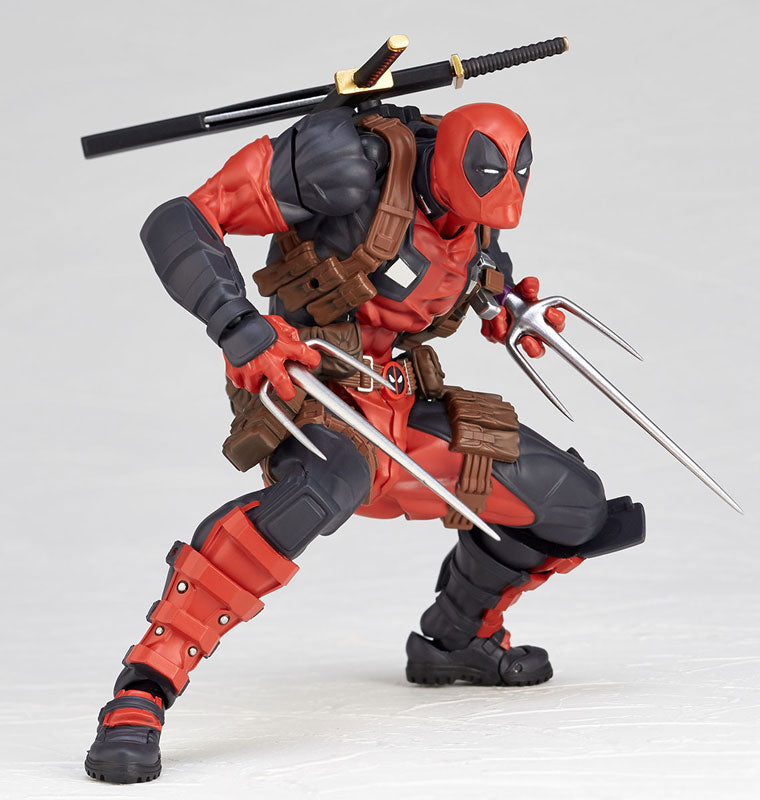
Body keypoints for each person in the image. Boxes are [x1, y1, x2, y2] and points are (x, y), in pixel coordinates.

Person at [85, 102, 644, 784]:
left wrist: (505, 306)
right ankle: (146, 686)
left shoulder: (477, 221)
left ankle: (456, 639)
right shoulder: (347, 165)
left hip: (400, 400)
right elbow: (180, 219)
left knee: (573, 507)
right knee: (314, 496)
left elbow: (473, 268)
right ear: (448, 166)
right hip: (307, 383)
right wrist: (236, 324)